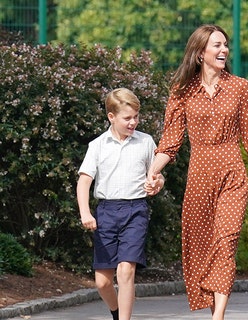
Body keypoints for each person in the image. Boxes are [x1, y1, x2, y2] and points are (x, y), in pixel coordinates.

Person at [145, 24, 248, 320]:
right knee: (202, 246)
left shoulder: (239, 86)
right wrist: (153, 172)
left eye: (225, 45)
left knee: (226, 241)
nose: (224, 51)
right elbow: (171, 140)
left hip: (232, 172)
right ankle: (214, 309)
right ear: (199, 53)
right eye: (216, 46)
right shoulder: (182, 91)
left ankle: (217, 316)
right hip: (199, 177)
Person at [77, 87, 165, 320]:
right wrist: (86, 213)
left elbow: (157, 175)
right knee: (102, 282)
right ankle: (116, 313)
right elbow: (84, 181)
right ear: (111, 117)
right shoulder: (97, 145)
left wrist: (156, 183)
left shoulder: (145, 142)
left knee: (126, 270)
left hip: (135, 210)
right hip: (106, 212)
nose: (133, 122)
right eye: (127, 118)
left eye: (136, 117)